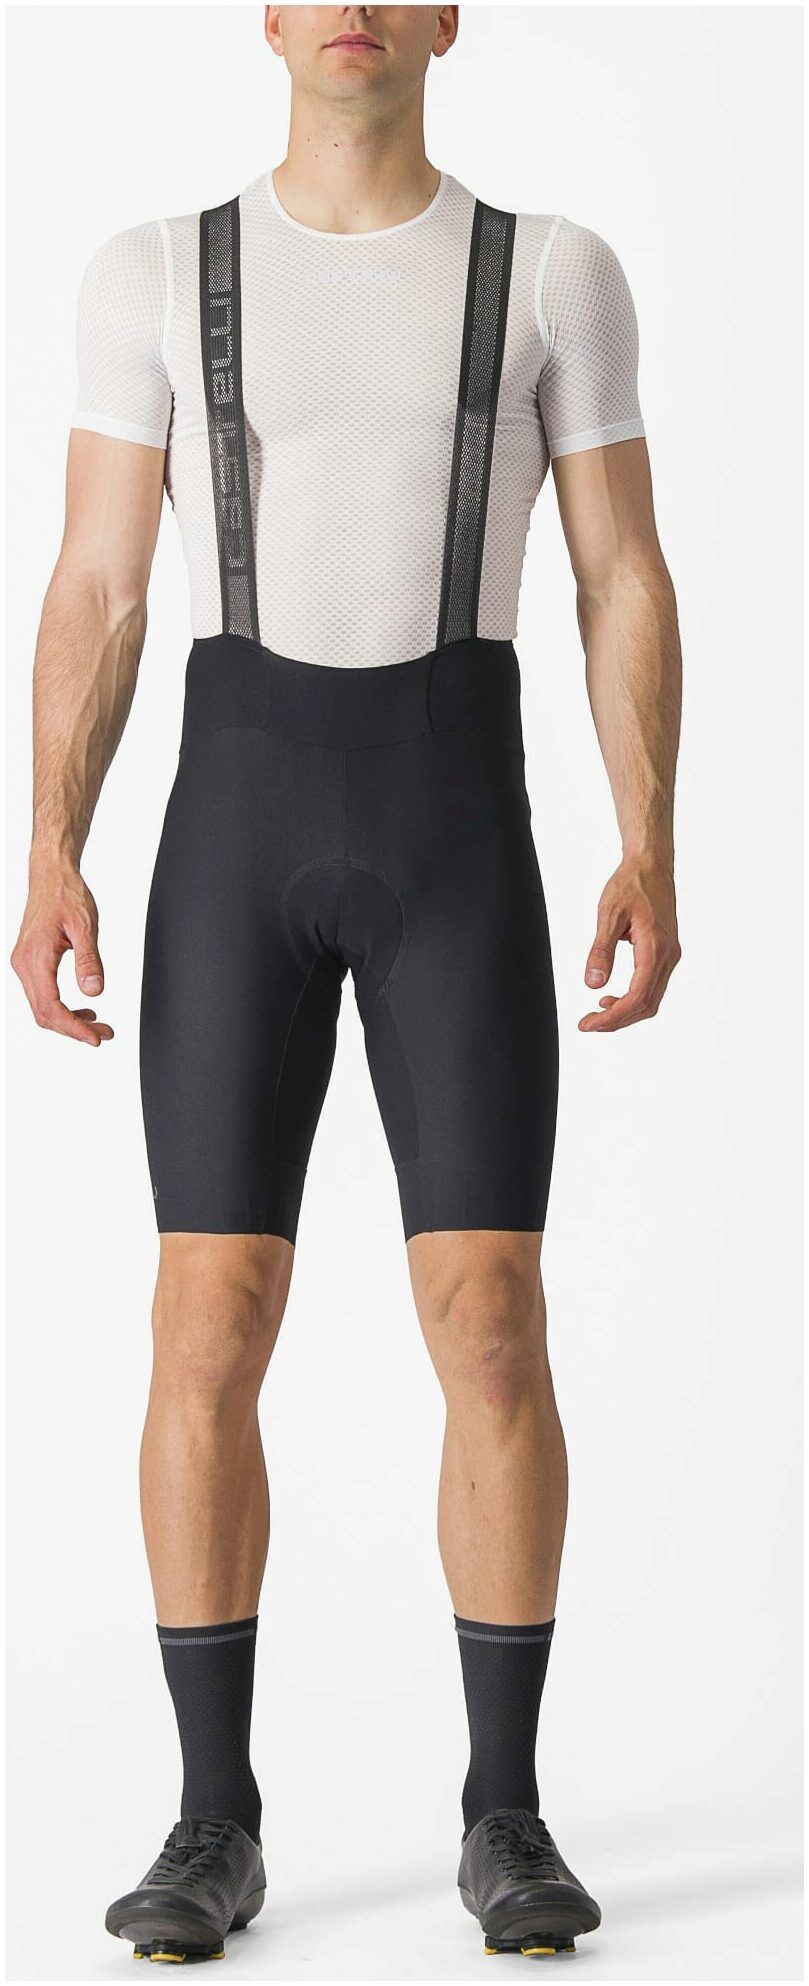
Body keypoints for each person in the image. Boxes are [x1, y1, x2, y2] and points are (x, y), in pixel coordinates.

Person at [11, 3, 682, 1964]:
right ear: (268, 15)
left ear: (449, 17)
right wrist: (48, 842)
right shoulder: (157, 270)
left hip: (456, 832)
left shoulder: (548, 272)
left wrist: (650, 837)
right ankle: (211, 1819)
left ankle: (505, 1812)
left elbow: (621, 574)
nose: (354, 4)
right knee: (205, 1322)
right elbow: (98, 582)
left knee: (490, 1321)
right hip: (236, 835)